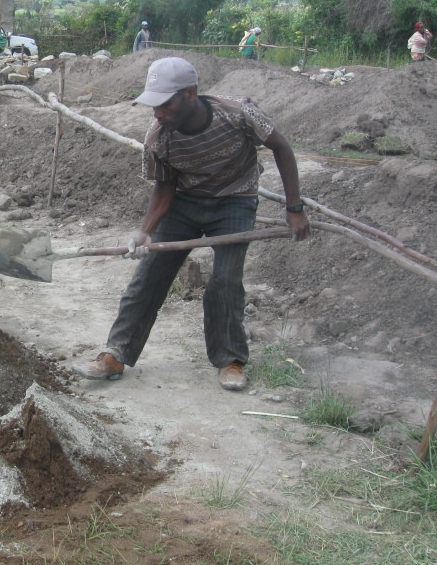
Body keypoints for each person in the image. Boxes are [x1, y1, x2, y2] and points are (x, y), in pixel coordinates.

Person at [75, 57, 310, 392]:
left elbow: (282, 149)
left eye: (164, 103)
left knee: (225, 281)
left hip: (235, 201)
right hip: (184, 204)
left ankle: (230, 359)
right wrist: (146, 230)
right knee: (149, 275)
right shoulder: (158, 137)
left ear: (190, 94)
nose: (157, 112)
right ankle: (116, 353)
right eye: (152, 105)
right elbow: (165, 187)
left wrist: (294, 208)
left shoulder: (238, 113)